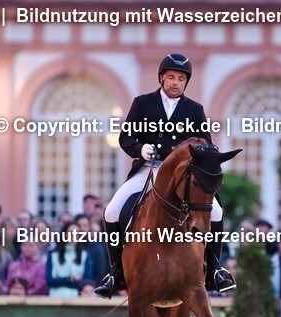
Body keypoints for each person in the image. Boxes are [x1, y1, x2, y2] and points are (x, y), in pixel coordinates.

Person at [94, 53, 235, 298]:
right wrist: (140, 149)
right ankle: (115, 272)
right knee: (112, 211)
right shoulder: (142, 103)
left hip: (181, 176)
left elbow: (206, 144)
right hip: (148, 169)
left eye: (181, 79)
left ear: (185, 82)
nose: (175, 83)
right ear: (161, 78)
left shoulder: (194, 109)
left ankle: (214, 270)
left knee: (217, 212)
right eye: (171, 77)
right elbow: (125, 138)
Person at [47, 222, 95, 298]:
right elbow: (50, 280)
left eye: (77, 233)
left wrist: (61, 280)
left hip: (78, 296)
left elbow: (86, 280)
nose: (74, 235)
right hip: (56, 296)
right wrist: (70, 279)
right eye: (71, 232)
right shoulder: (53, 255)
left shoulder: (85, 254)